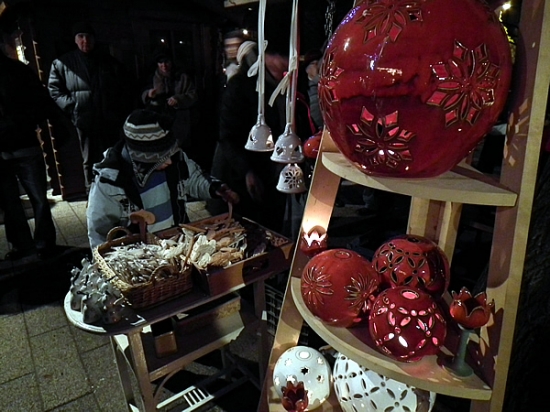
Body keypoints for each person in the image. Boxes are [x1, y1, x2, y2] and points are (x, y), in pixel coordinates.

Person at [86, 109, 239, 249]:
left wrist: (215, 188)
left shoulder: (176, 159)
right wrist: (106, 260)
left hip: (177, 244)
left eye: (169, 154)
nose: (169, 161)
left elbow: (193, 178)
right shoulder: (110, 182)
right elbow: (99, 233)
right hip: (142, 255)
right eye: (161, 157)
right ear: (143, 158)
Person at [0, 49, 72, 260]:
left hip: (19, 144)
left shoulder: (18, 71)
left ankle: (27, 246)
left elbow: (41, 101)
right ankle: (40, 244)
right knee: (32, 199)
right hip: (22, 143)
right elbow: (42, 101)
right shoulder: (19, 70)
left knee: (16, 201)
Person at [210, 41, 289, 233]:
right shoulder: (240, 85)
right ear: (267, 56)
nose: (283, 65)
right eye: (280, 59)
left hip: (271, 172)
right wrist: (246, 171)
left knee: (271, 229)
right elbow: (228, 135)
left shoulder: (284, 84)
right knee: (244, 231)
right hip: (240, 174)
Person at [47, 22, 132, 194]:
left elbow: (124, 87)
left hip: (109, 119)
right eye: (81, 36)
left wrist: (116, 110)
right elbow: (54, 90)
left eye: (88, 36)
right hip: (84, 119)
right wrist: (73, 107)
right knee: (89, 159)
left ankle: (115, 191)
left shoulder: (108, 61)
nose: (85, 40)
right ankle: (92, 193)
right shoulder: (63, 63)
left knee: (112, 156)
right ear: (75, 40)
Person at [141, 50, 197, 151]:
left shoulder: (182, 77)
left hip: (180, 120)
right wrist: (148, 94)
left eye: (166, 62)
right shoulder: (152, 78)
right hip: (159, 121)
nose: (164, 65)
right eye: (160, 62)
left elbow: (193, 95)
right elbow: (143, 94)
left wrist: (178, 100)